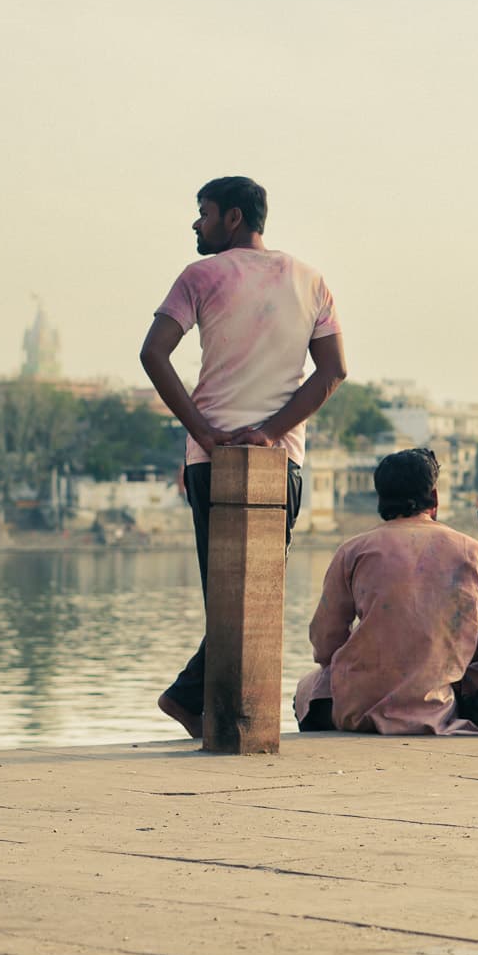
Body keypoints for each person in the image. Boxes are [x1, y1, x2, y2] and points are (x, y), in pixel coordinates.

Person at [140, 175, 345, 738]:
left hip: (215, 460)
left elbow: (153, 353)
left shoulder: (200, 276)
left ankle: (196, 704)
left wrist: (204, 433)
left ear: (233, 217)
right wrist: (270, 432)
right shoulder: (309, 280)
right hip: (281, 459)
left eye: (202, 213)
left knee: (231, 596)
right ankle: (204, 708)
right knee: (255, 595)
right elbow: (333, 371)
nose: (195, 224)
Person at [294, 448, 478, 734]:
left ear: (380, 498)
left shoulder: (353, 551)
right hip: (436, 709)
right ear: (435, 498)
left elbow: (325, 638)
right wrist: (467, 684)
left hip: (357, 711)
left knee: (307, 688)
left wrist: (353, 668)